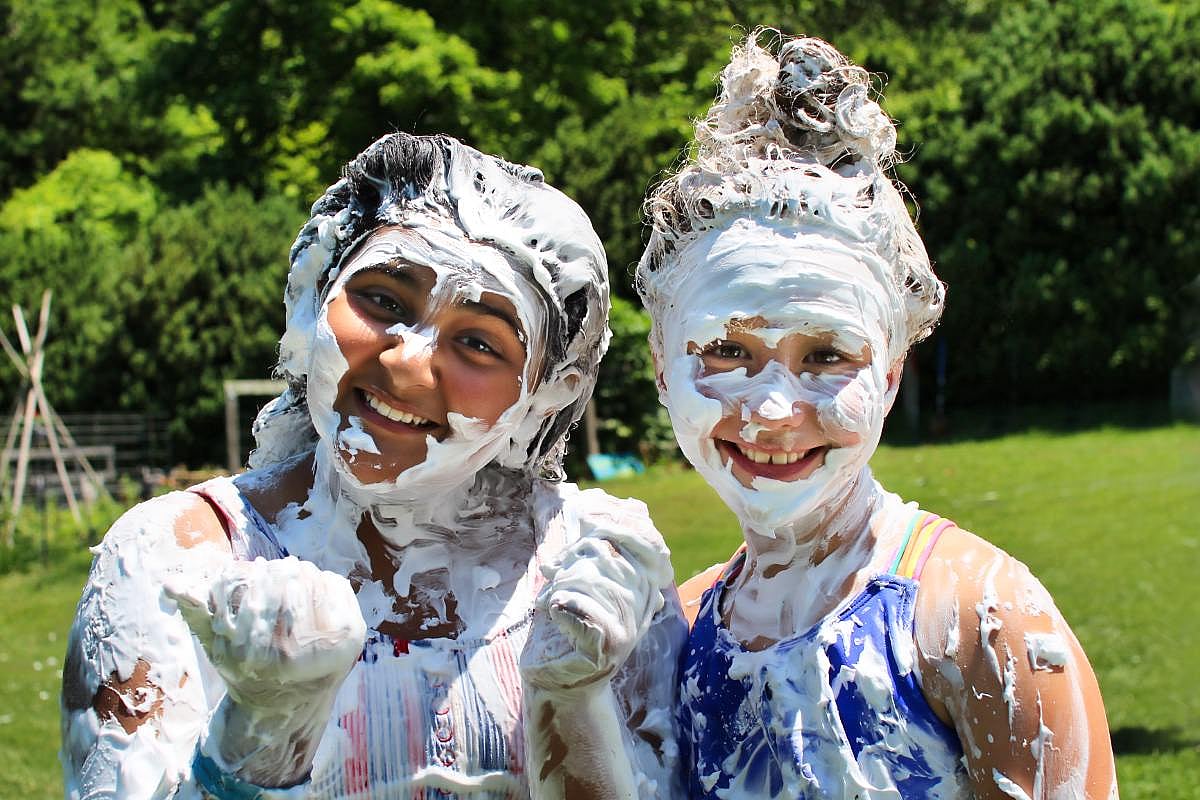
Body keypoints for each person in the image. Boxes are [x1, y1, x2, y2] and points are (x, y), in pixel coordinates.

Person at [61, 132, 686, 799]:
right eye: (383, 300)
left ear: (545, 394)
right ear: (314, 290)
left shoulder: (599, 570)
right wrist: (262, 732)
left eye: (478, 342)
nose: (406, 362)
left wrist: (572, 702)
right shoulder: (176, 557)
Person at [636, 31, 1118, 799]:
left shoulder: (978, 622)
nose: (770, 408)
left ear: (889, 378)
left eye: (827, 356)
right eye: (726, 350)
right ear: (663, 372)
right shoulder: (674, 631)